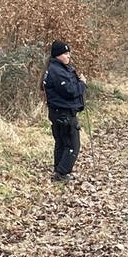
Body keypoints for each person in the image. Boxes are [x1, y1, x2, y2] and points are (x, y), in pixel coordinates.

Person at [41, 39, 86, 181]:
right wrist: (83, 84)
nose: (68, 56)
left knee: (61, 142)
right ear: (58, 55)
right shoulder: (57, 71)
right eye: (65, 53)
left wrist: (78, 80)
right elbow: (70, 91)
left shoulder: (62, 69)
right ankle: (61, 172)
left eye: (69, 53)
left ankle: (59, 170)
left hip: (59, 112)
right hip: (64, 113)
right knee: (72, 144)